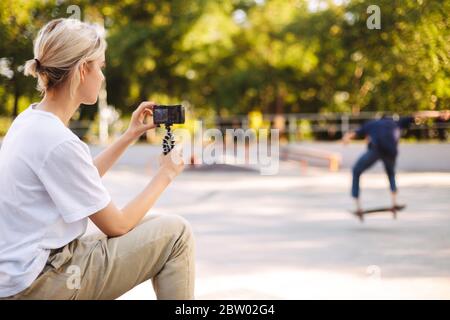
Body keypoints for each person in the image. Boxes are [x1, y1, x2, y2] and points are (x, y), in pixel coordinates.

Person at [0, 18, 194, 300]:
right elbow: (117, 225)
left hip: (20, 274)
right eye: (100, 67)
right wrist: (166, 173)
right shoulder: (59, 141)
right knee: (176, 233)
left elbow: (78, 175)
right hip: (38, 283)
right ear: (82, 70)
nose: (103, 77)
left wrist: (129, 135)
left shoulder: (29, 121)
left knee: (153, 224)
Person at [342, 111, 442, 217]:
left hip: (376, 149)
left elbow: (353, 133)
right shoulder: (397, 122)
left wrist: (346, 138)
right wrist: (439, 114)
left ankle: (357, 205)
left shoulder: (372, 124)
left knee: (356, 171)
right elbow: (418, 114)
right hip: (391, 152)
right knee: (391, 174)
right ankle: (394, 202)